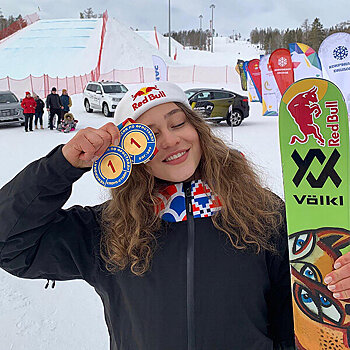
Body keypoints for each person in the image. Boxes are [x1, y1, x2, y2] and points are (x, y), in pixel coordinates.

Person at [1, 82, 350, 350]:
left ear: (197, 129)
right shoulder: (106, 228)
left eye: (177, 122)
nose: (169, 140)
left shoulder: (260, 212)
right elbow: (10, 244)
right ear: (131, 153)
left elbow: (303, 313)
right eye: (149, 134)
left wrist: (340, 278)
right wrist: (61, 167)